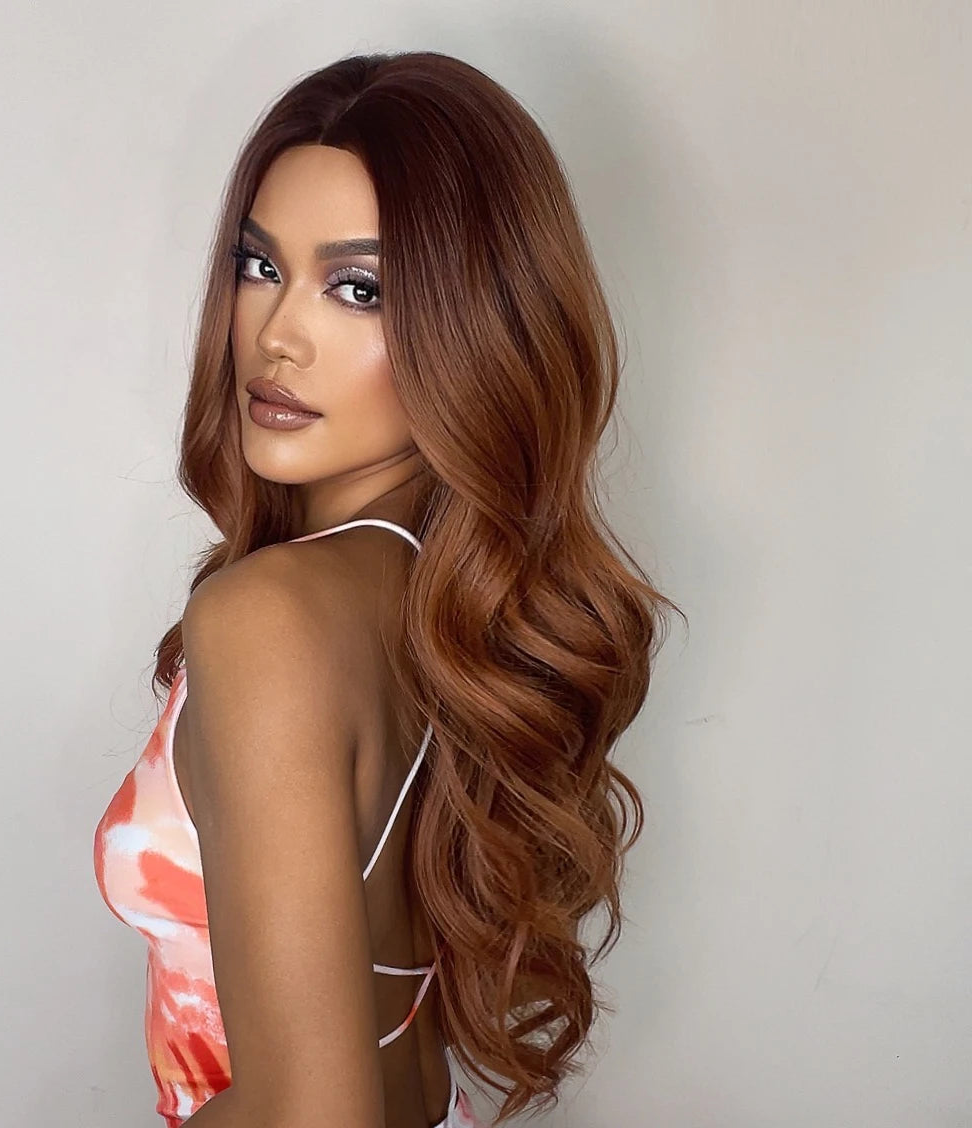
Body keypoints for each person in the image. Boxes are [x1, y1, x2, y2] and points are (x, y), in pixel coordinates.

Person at [94, 49, 683, 1128]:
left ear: (476, 325)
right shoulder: (447, 606)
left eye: (358, 289)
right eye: (259, 265)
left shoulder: (269, 619)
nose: (277, 335)